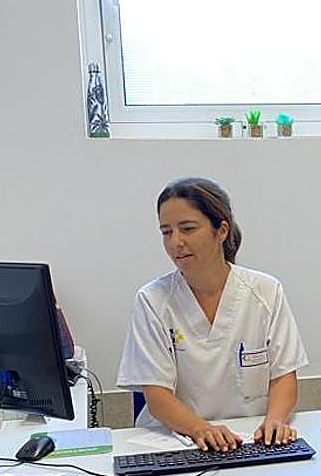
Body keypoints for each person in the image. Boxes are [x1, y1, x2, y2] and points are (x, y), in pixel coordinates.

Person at [117, 177, 307, 450]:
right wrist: (202, 430)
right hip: (179, 441)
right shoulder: (152, 300)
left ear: (221, 231)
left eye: (188, 229)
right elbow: (156, 394)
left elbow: (284, 376)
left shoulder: (266, 292)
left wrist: (275, 420)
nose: (176, 242)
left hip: (252, 438)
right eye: (166, 232)